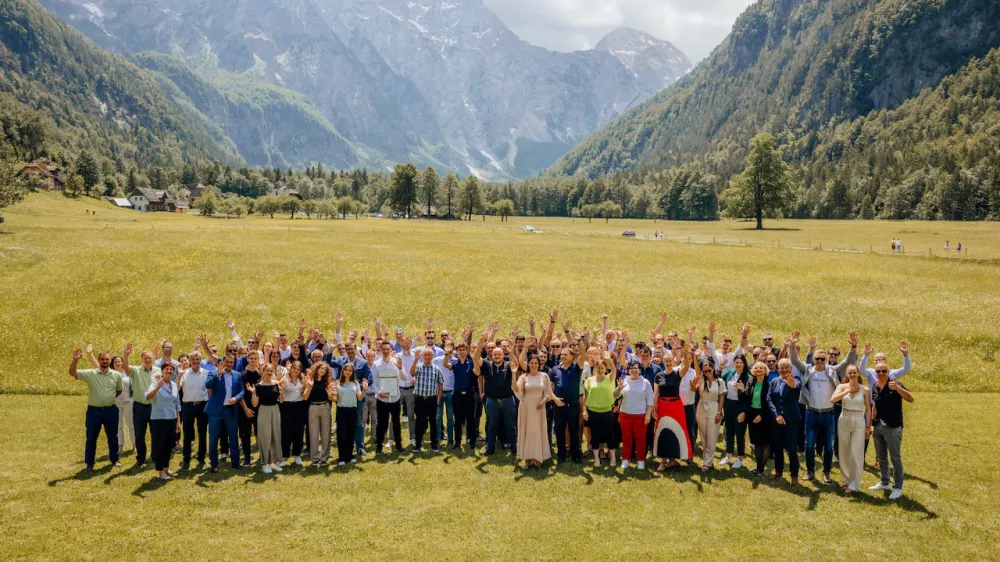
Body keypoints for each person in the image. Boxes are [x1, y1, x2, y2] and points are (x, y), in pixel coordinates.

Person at [790, 331, 857, 483]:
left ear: (826, 360)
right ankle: (810, 471)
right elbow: (794, 360)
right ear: (813, 360)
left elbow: (847, 362)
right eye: (817, 359)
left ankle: (826, 473)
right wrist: (793, 345)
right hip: (812, 413)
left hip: (828, 414)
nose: (820, 361)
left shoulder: (832, 371)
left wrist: (853, 347)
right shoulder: (808, 370)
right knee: (809, 446)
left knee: (828, 447)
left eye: (822, 359)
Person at [69, 347, 124, 470]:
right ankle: (90, 463)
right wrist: (75, 360)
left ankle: (115, 459)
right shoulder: (91, 373)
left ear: (110, 361)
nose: (105, 361)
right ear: (98, 360)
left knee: (113, 436)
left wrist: (108, 398)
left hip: (111, 410)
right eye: (102, 359)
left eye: (107, 359)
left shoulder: (116, 375)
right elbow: (73, 373)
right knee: (91, 437)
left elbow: (119, 390)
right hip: (94, 411)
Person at [868, 363, 914, 500]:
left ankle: (898, 487)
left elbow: (910, 398)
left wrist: (898, 388)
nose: (881, 373)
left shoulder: (895, 384)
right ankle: (885, 482)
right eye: (878, 371)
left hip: (893, 427)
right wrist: (871, 423)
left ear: (888, 372)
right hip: (878, 426)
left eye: (883, 371)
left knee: (895, 458)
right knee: (881, 456)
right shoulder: (875, 386)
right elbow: (875, 404)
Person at [473, 335, 517, 457]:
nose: (497, 356)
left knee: (510, 425)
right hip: (492, 401)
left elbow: (516, 363)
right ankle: (490, 448)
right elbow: (477, 359)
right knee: (491, 425)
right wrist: (480, 345)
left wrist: (512, 350)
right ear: (492, 355)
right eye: (495, 355)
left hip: (508, 400)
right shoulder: (487, 364)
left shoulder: (508, 365)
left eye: (499, 354)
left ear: (503, 355)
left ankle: (515, 448)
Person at [514, 352, 560, 468]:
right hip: (526, 407)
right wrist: (513, 375)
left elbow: (549, 392)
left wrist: (543, 401)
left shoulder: (544, 376)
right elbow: (516, 389)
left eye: (536, 363)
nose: (534, 365)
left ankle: (537, 457)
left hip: (539, 407)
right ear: (528, 364)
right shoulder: (523, 377)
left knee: (538, 431)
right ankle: (527, 458)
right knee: (526, 430)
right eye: (531, 363)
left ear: (539, 364)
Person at [830, 365, 871, 493]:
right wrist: (847, 391)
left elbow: (869, 409)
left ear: (858, 373)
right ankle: (847, 481)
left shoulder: (865, 390)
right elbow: (833, 399)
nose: (852, 375)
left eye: (854, 372)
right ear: (846, 375)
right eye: (850, 373)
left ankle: (854, 485)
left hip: (859, 420)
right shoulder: (842, 387)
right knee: (844, 451)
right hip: (844, 419)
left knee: (856, 452)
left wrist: (868, 427)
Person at [548, 329, 586, 464]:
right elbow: (548, 387)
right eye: (562, 354)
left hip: (573, 405)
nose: (562, 356)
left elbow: (583, 354)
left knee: (574, 431)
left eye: (565, 354)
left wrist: (579, 340)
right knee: (559, 431)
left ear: (571, 357)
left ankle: (576, 455)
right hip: (558, 406)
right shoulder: (554, 370)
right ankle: (561, 455)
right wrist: (554, 398)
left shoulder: (576, 368)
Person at [652, 347, 693, 470]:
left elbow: (685, 367)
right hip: (663, 405)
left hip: (675, 406)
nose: (668, 363)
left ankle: (673, 459)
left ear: (673, 362)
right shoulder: (658, 376)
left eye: (670, 360)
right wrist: (654, 409)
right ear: (663, 362)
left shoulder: (677, 373)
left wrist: (685, 355)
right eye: (666, 361)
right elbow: (656, 394)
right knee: (663, 432)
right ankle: (664, 460)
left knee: (677, 430)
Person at [121, 344, 161, 468]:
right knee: (139, 434)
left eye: (149, 358)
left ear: (153, 359)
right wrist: (126, 355)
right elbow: (125, 367)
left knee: (155, 434)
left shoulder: (157, 370)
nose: (147, 360)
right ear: (141, 359)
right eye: (145, 358)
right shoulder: (136, 370)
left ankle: (155, 456)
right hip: (139, 407)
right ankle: (141, 458)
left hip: (154, 407)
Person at [767, 358, 802, 484]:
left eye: (787, 367)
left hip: (792, 420)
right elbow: (769, 399)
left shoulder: (796, 380)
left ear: (791, 368)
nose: (784, 370)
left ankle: (794, 476)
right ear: (778, 369)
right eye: (782, 367)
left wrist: (791, 385)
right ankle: (778, 470)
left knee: (792, 449)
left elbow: (796, 388)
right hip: (777, 420)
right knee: (777, 446)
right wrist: (777, 415)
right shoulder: (774, 381)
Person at [371, 341, 410, 454]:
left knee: (396, 423)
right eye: (383, 349)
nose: (385, 351)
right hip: (382, 399)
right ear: (381, 350)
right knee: (381, 424)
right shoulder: (376, 364)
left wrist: (401, 368)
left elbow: (404, 378)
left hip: (395, 399)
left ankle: (398, 445)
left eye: (387, 349)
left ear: (390, 349)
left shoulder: (396, 362)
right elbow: (372, 382)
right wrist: (378, 393)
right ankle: (379, 447)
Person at [616, 360, 654, 470]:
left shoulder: (645, 382)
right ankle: (625, 459)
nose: (634, 370)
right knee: (626, 438)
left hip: (640, 415)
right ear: (628, 370)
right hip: (625, 414)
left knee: (640, 439)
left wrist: (648, 414)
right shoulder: (624, 381)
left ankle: (641, 460)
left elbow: (650, 400)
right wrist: (619, 388)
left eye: (636, 368)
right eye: (632, 368)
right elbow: (615, 396)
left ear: (640, 369)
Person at [146, 362, 181, 480]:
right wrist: (158, 387)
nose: (169, 371)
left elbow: (177, 404)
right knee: (159, 445)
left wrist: (178, 421)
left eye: (171, 369)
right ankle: (161, 471)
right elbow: (147, 396)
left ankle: (166, 468)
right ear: (162, 371)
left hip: (171, 418)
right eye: (167, 369)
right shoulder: (156, 382)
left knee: (169, 445)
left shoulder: (174, 385)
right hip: (159, 419)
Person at [178, 347, 210, 469]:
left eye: (198, 359)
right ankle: (186, 458)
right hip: (188, 406)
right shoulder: (184, 374)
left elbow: (210, 390)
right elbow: (177, 388)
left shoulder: (206, 373)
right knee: (187, 433)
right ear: (190, 361)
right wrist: (179, 375)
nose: (196, 361)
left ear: (200, 360)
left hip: (202, 405)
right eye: (193, 359)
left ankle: (201, 458)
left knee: (202, 432)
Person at [583, 353, 616, 467]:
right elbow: (585, 397)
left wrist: (609, 361)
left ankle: (613, 458)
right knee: (595, 436)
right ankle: (596, 458)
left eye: (602, 367)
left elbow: (614, 369)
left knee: (609, 435)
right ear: (595, 368)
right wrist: (584, 410)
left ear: (605, 368)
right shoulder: (589, 380)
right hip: (593, 411)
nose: (600, 369)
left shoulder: (609, 378)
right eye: (598, 367)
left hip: (607, 410)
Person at [410, 347, 444, 452]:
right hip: (420, 399)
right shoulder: (418, 367)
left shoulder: (436, 369)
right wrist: (416, 359)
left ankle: (434, 445)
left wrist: (438, 399)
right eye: (425, 355)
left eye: (429, 355)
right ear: (422, 356)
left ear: (432, 356)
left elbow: (440, 385)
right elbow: (411, 372)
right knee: (419, 422)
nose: (428, 357)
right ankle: (418, 445)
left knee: (433, 423)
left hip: (432, 400)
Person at [251, 363, 283, 473]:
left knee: (275, 435)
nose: (269, 373)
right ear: (262, 372)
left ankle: (274, 462)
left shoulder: (276, 383)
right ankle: (265, 463)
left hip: (275, 410)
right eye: (267, 371)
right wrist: (254, 395)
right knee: (265, 437)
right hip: (263, 410)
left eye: (271, 371)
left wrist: (281, 391)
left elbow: (281, 400)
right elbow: (255, 405)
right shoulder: (258, 386)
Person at [695, 357, 726, 471]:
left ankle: (707, 463)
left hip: (713, 406)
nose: (707, 372)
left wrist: (719, 412)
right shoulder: (701, 380)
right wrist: (694, 356)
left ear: (713, 369)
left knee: (712, 436)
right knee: (703, 436)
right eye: (705, 371)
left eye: (709, 370)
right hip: (701, 407)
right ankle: (708, 460)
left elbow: (722, 397)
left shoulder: (720, 382)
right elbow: (697, 370)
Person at [741, 361, 772, 475]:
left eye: (761, 368)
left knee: (764, 442)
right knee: (755, 441)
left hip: (764, 415)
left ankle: (760, 468)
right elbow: (747, 398)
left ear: (765, 370)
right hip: (752, 415)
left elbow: (770, 403)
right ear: (753, 370)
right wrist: (742, 390)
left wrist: (761, 415)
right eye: (756, 368)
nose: (758, 369)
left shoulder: (769, 384)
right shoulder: (751, 381)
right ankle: (759, 467)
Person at [720, 355, 750, 469]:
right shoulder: (730, 373)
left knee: (740, 433)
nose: (738, 365)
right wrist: (720, 369)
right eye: (736, 362)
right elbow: (720, 380)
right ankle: (728, 456)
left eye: (740, 363)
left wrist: (743, 390)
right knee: (729, 431)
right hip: (728, 405)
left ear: (744, 364)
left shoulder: (748, 377)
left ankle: (740, 458)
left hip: (740, 406)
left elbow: (749, 397)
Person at [447, 341, 477, 450]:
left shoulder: (471, 362)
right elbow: (446, 365)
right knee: (458, 420)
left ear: (466, 350)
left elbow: (477, 372)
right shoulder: (454, 363)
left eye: (464, 350)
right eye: (460, 350)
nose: (462, 352)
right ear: (457, 351)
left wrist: (474, 358)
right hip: (457, 395)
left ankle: (472, 441)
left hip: (469, 394)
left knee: (470, 420)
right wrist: (447, 354)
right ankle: (457, 442)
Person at [333, 363, 365, 465]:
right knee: (342, 434)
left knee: (351, 433)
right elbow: (335, 399)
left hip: (352, 410)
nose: (348, 372)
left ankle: (350, 455)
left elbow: (359, 398)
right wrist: (330, 394)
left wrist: (364, 389)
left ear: (352, 372)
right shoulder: (338, 383)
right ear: (343, 371)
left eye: (350, 370)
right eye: (346, 370)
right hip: (341, 410)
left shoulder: (355, 384)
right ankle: (342, 457)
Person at [237, 351, 263, 466]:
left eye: (255, 358)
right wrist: (246, 409)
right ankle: (247, 458)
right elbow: (240, 394)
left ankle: (262, 456)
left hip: (260, 409)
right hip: (245, 409)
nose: (253, 360)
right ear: (247, 359)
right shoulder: (242, 375)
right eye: (251, 358)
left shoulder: (261, 375)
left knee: (261, 434)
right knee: (245, 434)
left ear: (258, 359)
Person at [279, 361, 307, 466]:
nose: (296, 370)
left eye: (298, 369)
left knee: (299, 431)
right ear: (291, 368)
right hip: (287, 406)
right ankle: (284, 455)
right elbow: (280, 392)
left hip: (299, 406)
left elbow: (305, 392)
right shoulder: (285, 379)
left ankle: (297, 454)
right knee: (286, 431)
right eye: (294, 368)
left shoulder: (302, 379)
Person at [433, 341, 456, 447]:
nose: (448, 348)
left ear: (453, 348)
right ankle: (437, 438)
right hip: (438, 392)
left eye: (450, 346)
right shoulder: (437, 360)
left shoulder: (456, 361)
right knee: (438, 416)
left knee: (451, 417)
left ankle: (451, 438)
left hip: (451, 392)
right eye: (446, 347)